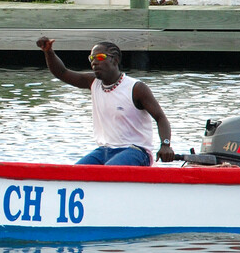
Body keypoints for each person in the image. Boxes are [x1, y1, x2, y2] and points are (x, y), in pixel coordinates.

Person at [36, 37, 175, 166]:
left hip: (137, 151)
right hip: (105, 150)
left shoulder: (136, 88)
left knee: (106, 172)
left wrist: (165, 145)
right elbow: (62, 73)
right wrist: (49, 52)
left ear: (115, 60)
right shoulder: (93, 83)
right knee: (74, 173)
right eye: (91, 58)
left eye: (100, 57)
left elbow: (160, 118)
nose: (94, 62)